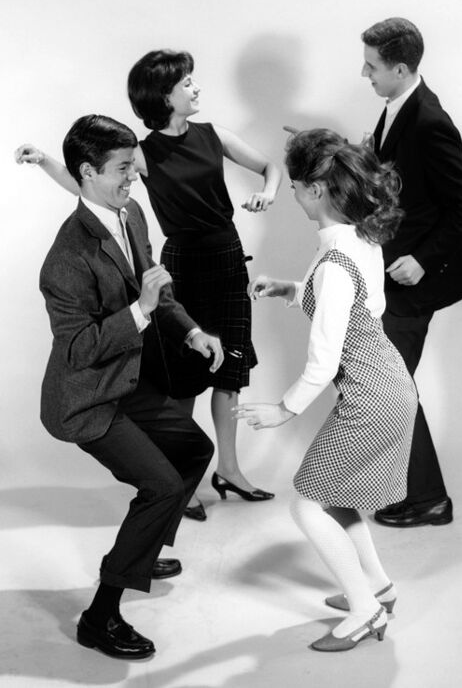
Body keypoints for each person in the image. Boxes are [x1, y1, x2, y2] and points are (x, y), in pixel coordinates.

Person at [15, 49, 281, 520]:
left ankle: (231, 469)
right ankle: (184, 478)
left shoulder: (211, 134)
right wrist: (45, 162)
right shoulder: (141, 152)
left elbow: (269, 167)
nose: (196, 88)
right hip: (179, 264)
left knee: (230, 370)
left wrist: (268, 192)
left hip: (226, 258)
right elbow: (89, 185)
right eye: (186, 83)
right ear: (163, 95)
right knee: (181, 378)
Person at [34, 114, 224, 659]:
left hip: (127, 379)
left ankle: (144, 547)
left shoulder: (130, 213)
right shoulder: (66, 258)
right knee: (162, 486)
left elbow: (152, 287)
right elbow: (77, 350)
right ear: (88, 173)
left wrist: (190, 330)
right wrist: (140, 310)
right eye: (122, 169)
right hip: (87, 399)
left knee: (195, 449)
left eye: (132, 166)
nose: (133, 178)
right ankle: (100, 617)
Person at [235, 128, 417, 651]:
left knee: (307, 506)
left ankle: (363, 612)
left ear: (316, 188)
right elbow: (362, 307)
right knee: (333, 497)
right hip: (388, 383)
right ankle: (379, 589)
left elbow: (324, 361)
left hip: (369, 396)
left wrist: (282, 411)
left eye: (295, 185)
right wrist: (292, 289)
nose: (291, 194)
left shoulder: (337, 259)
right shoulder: (356, 238)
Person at [360, 18, 462, 527]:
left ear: (401, 67)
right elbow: (400, 175)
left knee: (390, 384)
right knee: (391, 382)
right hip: (394, 270)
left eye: (371, 66)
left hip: (415, 277)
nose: (363, 73)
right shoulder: (397, 107)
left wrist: (424, 259)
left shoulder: (430, 120)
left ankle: (429, 498)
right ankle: (420, 492)